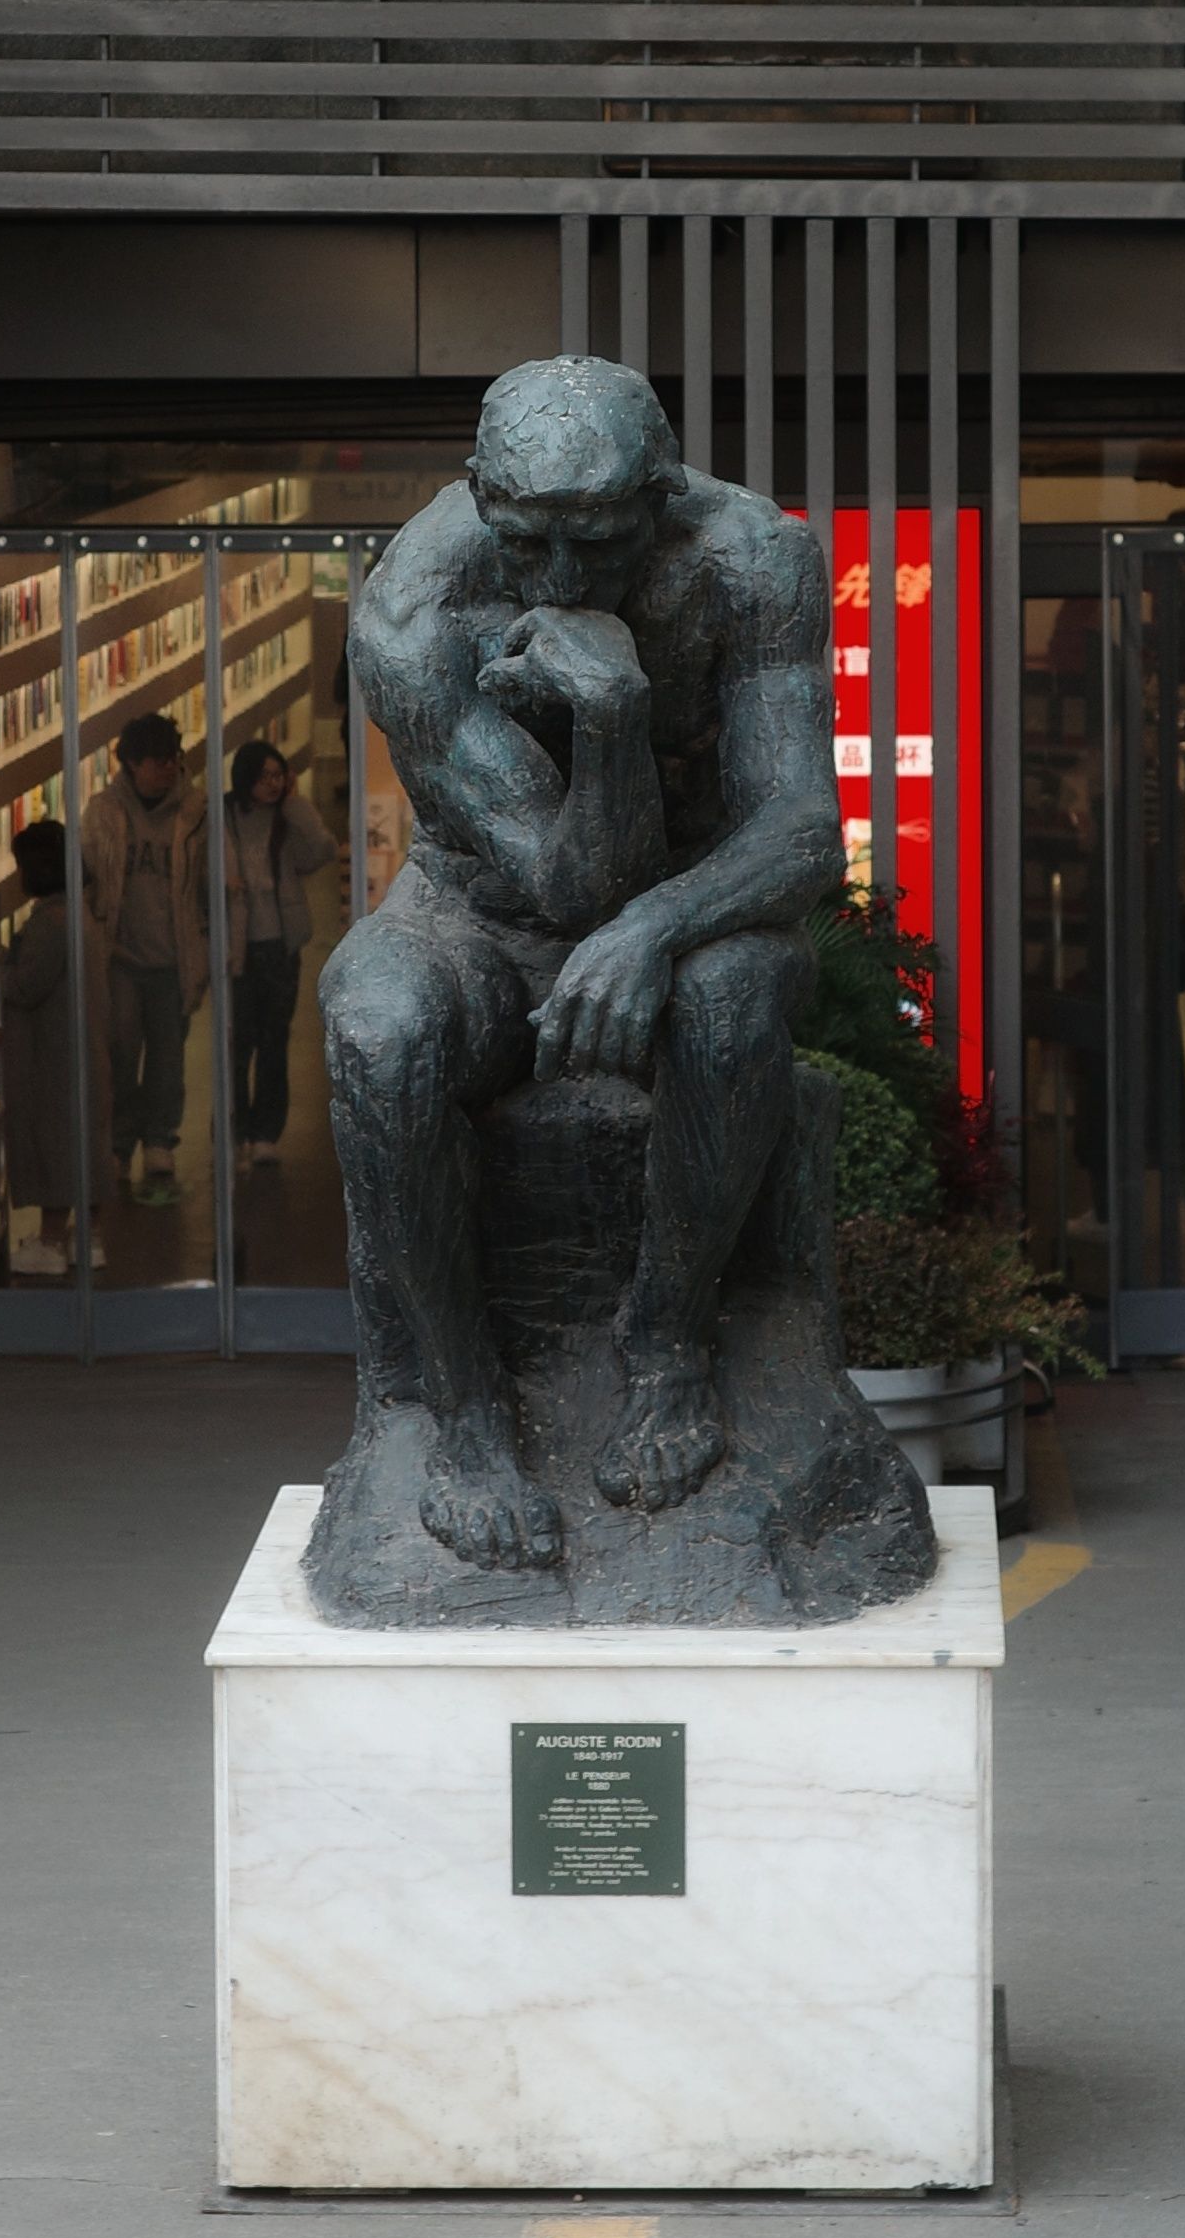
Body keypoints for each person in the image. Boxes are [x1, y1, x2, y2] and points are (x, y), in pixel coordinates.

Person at [323, 354, 843, 1571]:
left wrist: (656, 927)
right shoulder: (413, 609)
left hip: (694, 905)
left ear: (661, 497)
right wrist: (611, 716)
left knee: (730, 999)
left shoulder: (753, 559)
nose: (560, 581)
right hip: (477, 915)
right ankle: (462, 1412)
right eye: (528, 544)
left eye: (599, 547)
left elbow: (802, 827)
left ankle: (666, 1342)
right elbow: (565, 884)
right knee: (377, 1030)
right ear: (479, 497)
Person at [84, 713, 213, 1204]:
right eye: (157, 762)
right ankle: (119, 1144)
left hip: (174, 957)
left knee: (167, 1056)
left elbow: (207, 883)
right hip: (120, 957)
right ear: (133, 765)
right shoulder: (103, 812)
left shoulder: (195, 812)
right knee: (119, 1053)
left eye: (172, 761)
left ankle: (159, 1140)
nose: (167, 771)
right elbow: (90, 876)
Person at [0, 816, 109, 1275]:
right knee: (85, 1143)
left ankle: (51, 1241)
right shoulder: (80, 914)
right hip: (82, 1047)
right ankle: (88, 1237)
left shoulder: (51, 922)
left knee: (55, 1145)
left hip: (53, 1054)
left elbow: (26, 986)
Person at [225, 738, 335, 1167]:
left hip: (279, 942)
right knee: (238, 1042)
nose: (272, 784)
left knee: (274, 1040)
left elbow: (320, 851)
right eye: (264, 776)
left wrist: (296, 804)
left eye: (278, 775)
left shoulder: (287, 818)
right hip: (236, 944)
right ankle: (235, 1130)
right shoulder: (225, 816)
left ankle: (266, 1132)